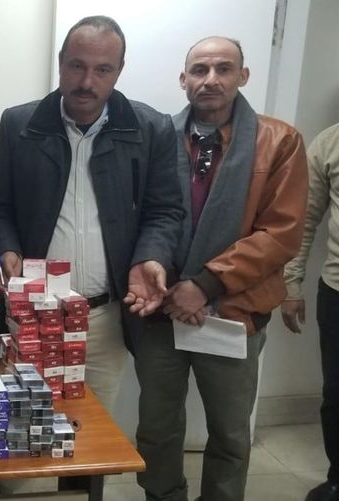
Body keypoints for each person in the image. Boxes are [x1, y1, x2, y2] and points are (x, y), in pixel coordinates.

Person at [0, 15, 184, 413]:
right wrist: (7, 249)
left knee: (93, 431)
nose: (87, 82)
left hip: (105, 319)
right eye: (77, 66)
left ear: (119, 71)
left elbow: (165, 211)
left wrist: (152, 256)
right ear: (61, 62)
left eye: (102, 70)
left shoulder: (151, 129)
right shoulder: (19, 124)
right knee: (24, 424)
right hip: (32, 312)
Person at [134, 36, 307, 501]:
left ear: (243, 76)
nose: (211, 79)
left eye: (223, 69)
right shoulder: (157, 137)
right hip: (163, 309)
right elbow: (142, 216)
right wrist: (168, 283)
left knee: (230, 434)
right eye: (200, 69)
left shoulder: (280, 141)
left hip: (234, 310)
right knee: (156, 428)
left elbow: (281, 233)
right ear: (183, 79)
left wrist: (205, 284)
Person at [282, 122, 339, 501]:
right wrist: (291, 284)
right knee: (337, 394)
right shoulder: (331, 142)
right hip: (337, 291)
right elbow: (303, 220)